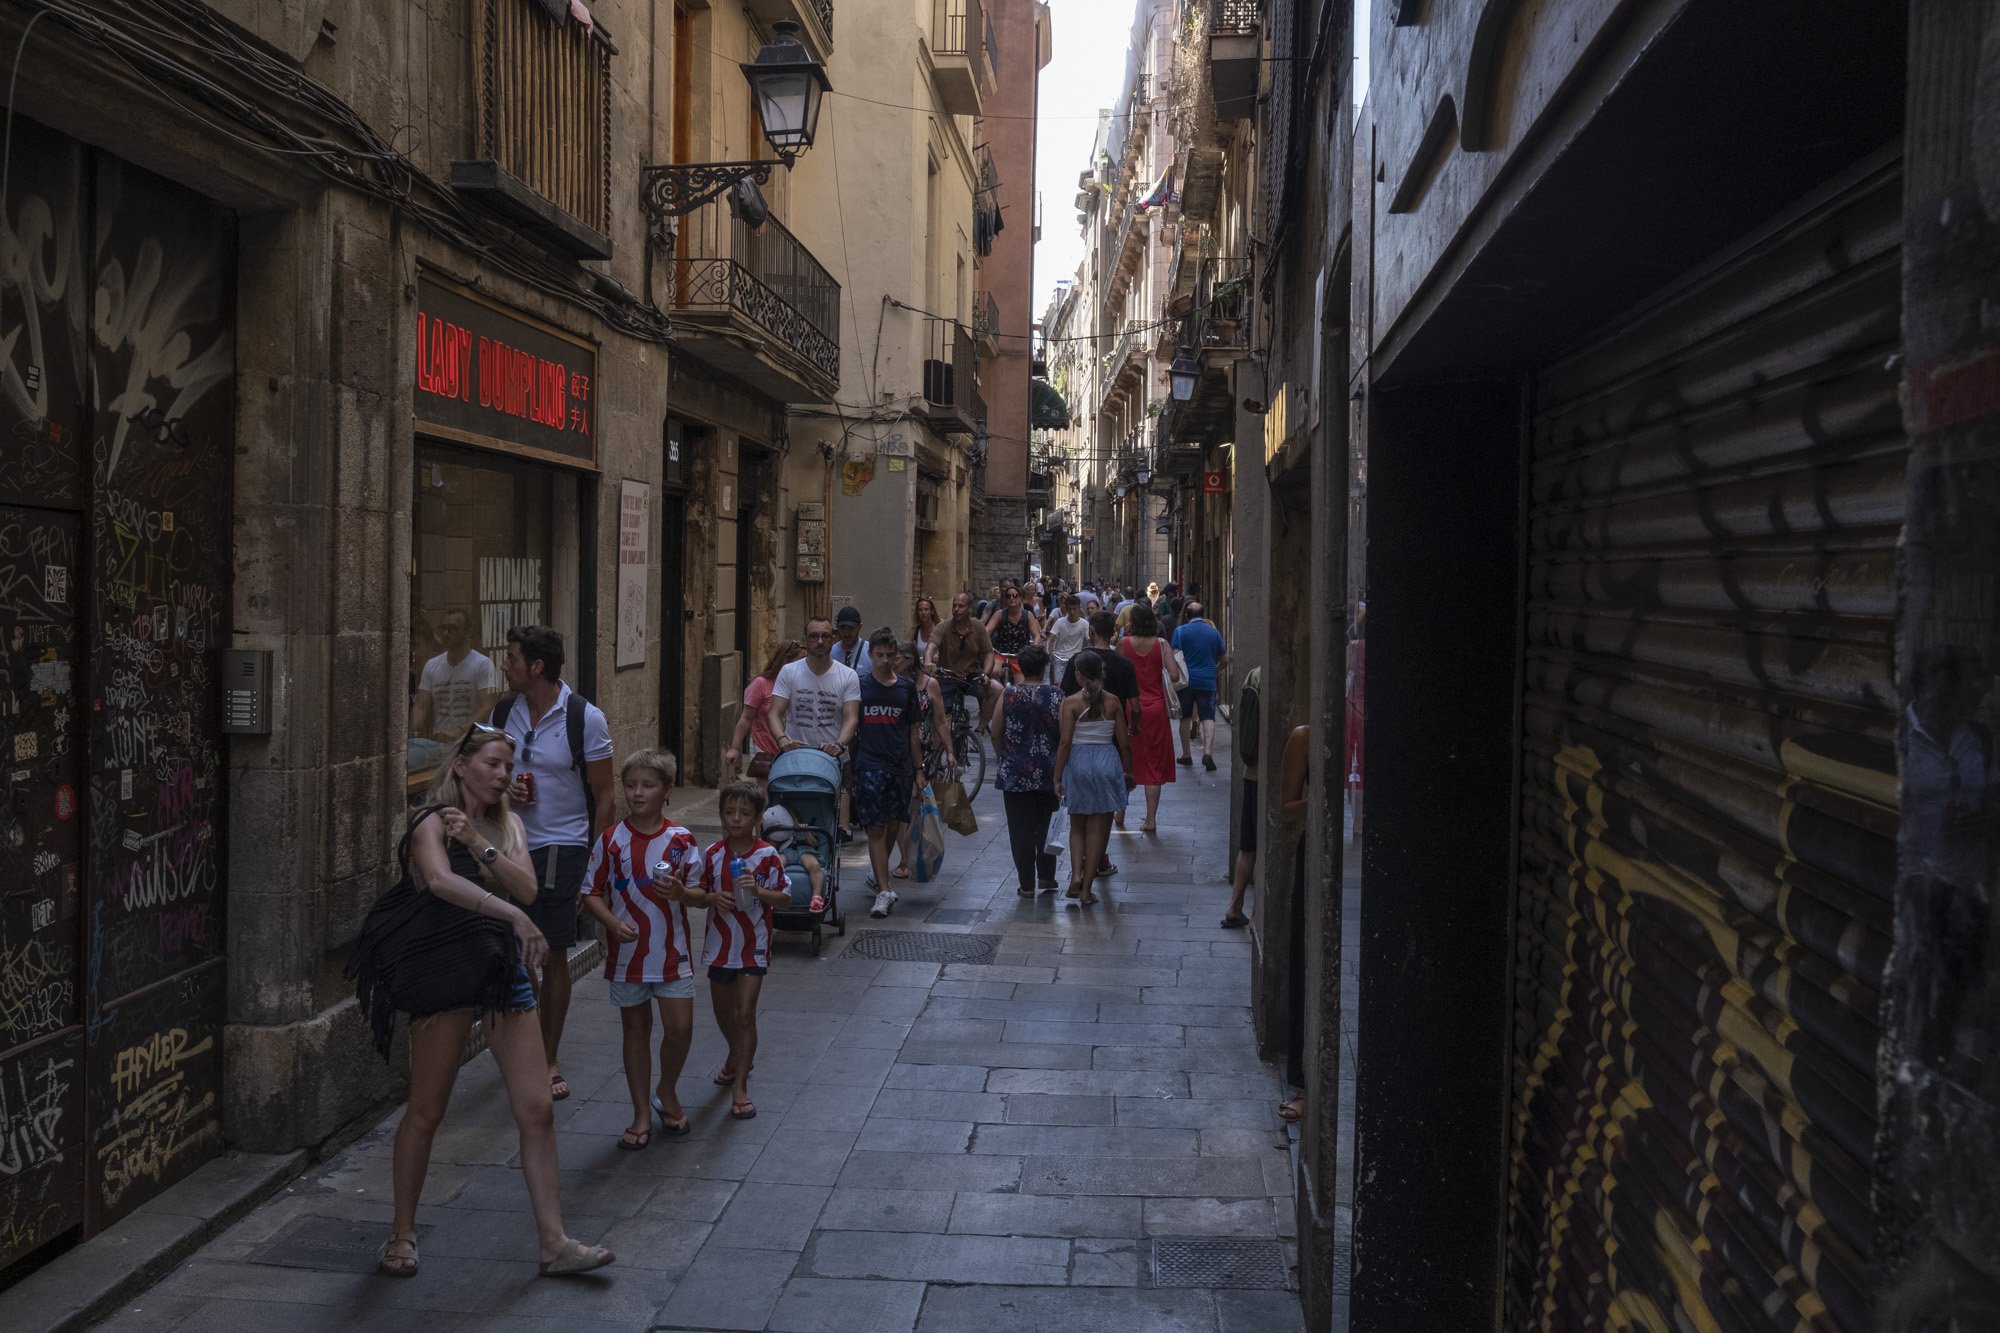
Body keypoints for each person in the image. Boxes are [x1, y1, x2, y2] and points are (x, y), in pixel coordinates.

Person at [377, 723, 613, 1279]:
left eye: (508, 765)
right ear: (460, 765)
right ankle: (402, 1232)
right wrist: (508, 912)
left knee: (537, 1107)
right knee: (427, 1110)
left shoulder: (504, 826)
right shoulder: (427, 821)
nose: (503, 774)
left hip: (499, 969)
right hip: (442, 970)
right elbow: (437, 881)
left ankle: (554, 1243)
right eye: (492, 763)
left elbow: (528, 889)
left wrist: (479, 844)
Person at [492, 625, 614, 1104]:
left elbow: (605, 798)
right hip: (510, 842)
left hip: (564, 845)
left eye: (512, 657)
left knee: (554, 951)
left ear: (536, 667)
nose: (505, 665)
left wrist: (591, 861)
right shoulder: (505, 712)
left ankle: (548, 1056)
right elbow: (490, 771)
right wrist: (508, 788)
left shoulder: (585, 718)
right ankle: (519, 1041)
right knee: (511, 946)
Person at [577, 749, 702, 1149]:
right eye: (631, 785)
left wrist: (682, 892)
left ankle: (666, 1088)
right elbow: (590, 890)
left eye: (648, 785)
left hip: (671, 951)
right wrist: (612, 924)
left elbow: (702, 895)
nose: (637, 793)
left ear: (666, 791)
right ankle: (641, 1113)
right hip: (627, 954)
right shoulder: (612, 840)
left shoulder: (681, 840)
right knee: (635, 1030)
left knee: (680, 1027)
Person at [692, 781, 792, 1120]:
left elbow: (785, 898)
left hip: (754, 945)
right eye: (730, 812)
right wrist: (709, 898)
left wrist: (759, 889)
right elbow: (697, 893)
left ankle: (740, 1088)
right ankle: (737, 1056)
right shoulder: (712, 855)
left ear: (757, 818)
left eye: (744, 813)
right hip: (720, 945)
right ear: (721, 816)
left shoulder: (767, 856)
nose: (736, 819)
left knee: (744, 1013)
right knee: (723, 1014)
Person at [854, 627, 924, 916]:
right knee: (876, 827)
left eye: (890, 655)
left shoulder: (905, 688)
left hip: (900, 764)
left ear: (897, 657)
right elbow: (852, 725)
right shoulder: (859, 686)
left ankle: (877, 871)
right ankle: (884, 890)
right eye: (879, 655)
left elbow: (912, 732)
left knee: (895, 824)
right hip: (869, 762)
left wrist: (919, 770)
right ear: (870, 655)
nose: (885, 660)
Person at [1053, 652, 1133, 908]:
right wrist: (1128, 771)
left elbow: (1065, 743)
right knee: (1099, 830)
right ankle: (1087, 890)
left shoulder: (1071, 702)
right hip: (1107, 763)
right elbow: (1124, 742)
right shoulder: (1113, 702)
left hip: (1078, 763)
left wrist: (1057, 776)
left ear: (1078, 674)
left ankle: (1075, 875)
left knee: (1077, 825)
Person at [1061, 610, 1141, 850]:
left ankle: (1080, 868)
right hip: (1110, 747)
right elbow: (1135, 705)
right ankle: (1099, 858)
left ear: (1091, 631)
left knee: (1080, 813)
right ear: (1114, 633)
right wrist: (1132, 727)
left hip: (1078, 747)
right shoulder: (1125, 664)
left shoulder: (1079, 661)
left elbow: (1064, 701)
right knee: (1102, 811)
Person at [990, 644, 1064, 897]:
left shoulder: (1009, 694)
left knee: (1020, 829)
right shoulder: (1057, 695)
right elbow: (1064, 735)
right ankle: (1047, 876)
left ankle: (1026, 883)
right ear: (1044, 668)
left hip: (1015, 771)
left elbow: (995, 731)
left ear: (1020, 666)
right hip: (1049, 771)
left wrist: (1005, 757)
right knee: (1047, 825)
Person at [893, 639, 954, 880]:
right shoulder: (894, 684)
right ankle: (904, 858)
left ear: (909, 660)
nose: (892, 662)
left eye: (896, 658)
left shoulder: (930, 684)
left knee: (917, 806)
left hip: (926, 753)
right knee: (901, 809)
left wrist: (949, 751)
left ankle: (917, 852)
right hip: (900, 751)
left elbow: (940, 720)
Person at [1119, 603, 1182, 832]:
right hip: (1155, 710)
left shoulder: (1123, 644)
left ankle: (1119, 814)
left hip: (1128, 708)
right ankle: (1150, 819)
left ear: (1133, 622)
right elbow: (1174, 676)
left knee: (1126, 761)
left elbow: (1115, 673)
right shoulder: (1161, 644)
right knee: (1153, 766)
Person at [1277, 722, 1311, 1124]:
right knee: (1306, 963)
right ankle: (1305, 1084)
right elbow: (1285, 808)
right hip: (1320, 849)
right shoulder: (1305, 736)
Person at [410, 608, 500, 743]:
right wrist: (411, 733)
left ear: (467, 633)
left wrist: (459, 731)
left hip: (471, 743)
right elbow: (421, 707)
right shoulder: (432, 665)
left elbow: (487, 707)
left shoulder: (482, 664)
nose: (446, 633)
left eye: (452, 629)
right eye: (443, 628)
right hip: (440, 743)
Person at [726, 639, 804, 786]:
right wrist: (734, 748)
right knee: (767, 796)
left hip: (792, 750)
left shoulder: (801, 685)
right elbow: (746, 718)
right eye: (798, 662)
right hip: (765, 747)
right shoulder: (761, 684)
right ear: (785, 661)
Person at [1223, 666, 1261, 929]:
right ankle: (1258, 916)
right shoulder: (1275, 673)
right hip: (1271, 775)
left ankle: (1235, 905)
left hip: (1252, 772)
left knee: (1248, 845)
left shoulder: (1254, 674)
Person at [1172, 602, 1229, 771]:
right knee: (1208, 717)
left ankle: (1186, 755)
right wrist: (1215, 671)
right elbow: (1225, 659)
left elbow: (1174, 656)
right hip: (1207, 681)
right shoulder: (1214, 632)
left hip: (1186, 682)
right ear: (1203, 615)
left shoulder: (1180, 632)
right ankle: (1208, 753)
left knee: (1186, 718)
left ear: (1187, 615)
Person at [934, 592, 998, 727]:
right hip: (948, 677)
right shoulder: (943, 627)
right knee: (941, 719)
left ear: (970, 608)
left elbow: (988, 653)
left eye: (961, 606)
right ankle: (939, 747)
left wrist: (985, 674)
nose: (956, 609)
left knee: (997, 691)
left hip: (971, 677)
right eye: (954, 606)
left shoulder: (978, 627)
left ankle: (980, 729)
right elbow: (931, 647)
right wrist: (928, 662)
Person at [763, 803, 825, 912]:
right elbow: (772, 847)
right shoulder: (782, 832)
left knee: (814, 865)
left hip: (804, 850)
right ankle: (772, 895)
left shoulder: (804, 827)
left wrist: (806, 832)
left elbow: (814, 843)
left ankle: (816, 897)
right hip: (786, 850)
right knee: (776, 865)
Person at [984, 581, 1042, 683]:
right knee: (993, 673)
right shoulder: (1000, 614)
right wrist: (986, 645)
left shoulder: (1027, 615)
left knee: (1022, 685)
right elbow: (987, 630)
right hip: (1000, 653)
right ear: (1005, 599)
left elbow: (1036, 635)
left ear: (1020, 598)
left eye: (1015, 596)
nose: (1012, 598)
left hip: (1020, 656)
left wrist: (1033, 649)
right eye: (1009, 596)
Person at [1046, 592, 1091, 689]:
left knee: (1077, 686)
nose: (1072, 612)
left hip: (1076, 658)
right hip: (1059, 657)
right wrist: (1047, 651)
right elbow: (1051, 638)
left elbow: (1088, 640)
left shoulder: (1084, 624)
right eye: (1069, 609)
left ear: (1079, 608)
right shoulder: (1060, 622)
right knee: (1059, 686)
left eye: (1074, 609)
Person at [831, 605, 873, 675]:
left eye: (851, 628)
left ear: (860, 627)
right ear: (837, 627)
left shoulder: (870, 652)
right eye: (842, 628)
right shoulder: (831, 653)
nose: (846, 633)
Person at [909, 596, 943, 669]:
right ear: (917, 612)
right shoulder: (915, 630)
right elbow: (905, 649)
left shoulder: (940, 628)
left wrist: (939, 656)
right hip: (920, 669)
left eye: (926, 609)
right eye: (920, 610)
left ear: (932, 611)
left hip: (938, 670)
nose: (923, 613)